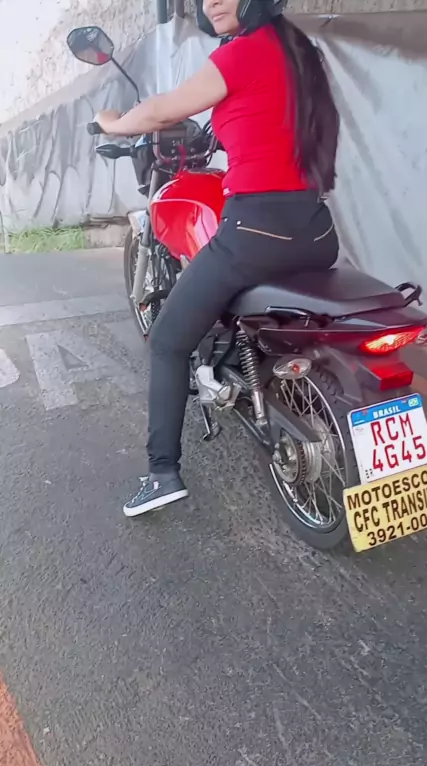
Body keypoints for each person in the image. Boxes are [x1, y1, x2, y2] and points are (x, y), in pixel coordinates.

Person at [94, 0, 340, 517]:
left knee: (167, 340)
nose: (213, 2)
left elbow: (162, 110)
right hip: (317, 230)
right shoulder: (300, 52)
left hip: (256, 233)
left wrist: (113, 124)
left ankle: (162, 474)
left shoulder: (242, 53)